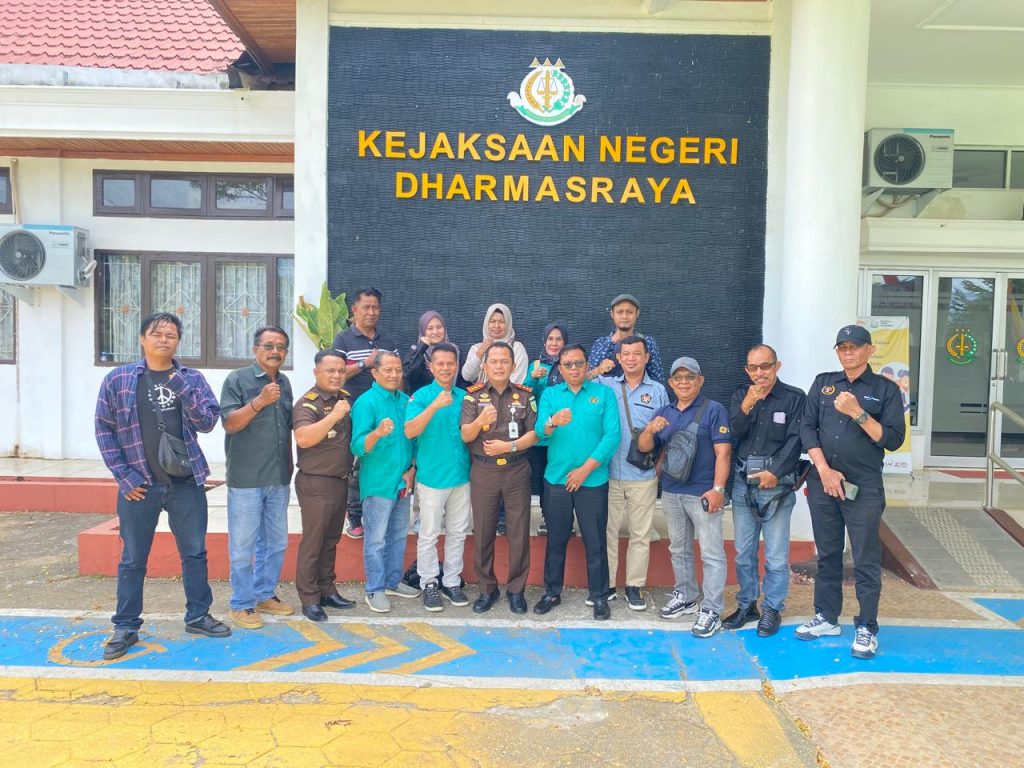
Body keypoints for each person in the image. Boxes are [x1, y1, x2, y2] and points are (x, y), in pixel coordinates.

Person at [95, 312, 229, 660]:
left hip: (186, 483)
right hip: (139, 486)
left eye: (171, 335)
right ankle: (126, 626)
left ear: (178, 341)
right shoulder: (118, 379)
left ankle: (198, 616)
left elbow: (207, 422)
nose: (163, 339)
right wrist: (124, 476)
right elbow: (104, 429)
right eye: (156, 334)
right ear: (143, 339)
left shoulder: (192, 378)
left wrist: (181, 386)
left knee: (195, 553)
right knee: (133, 558)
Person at [797, 325, 905, 659]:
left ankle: (867, 626)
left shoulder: (885, 390)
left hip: (864, 486)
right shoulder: (824, 383)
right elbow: (807, 428)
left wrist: (857, 412)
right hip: (824, 482)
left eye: (854, 346)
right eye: (842, 347)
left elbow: (892, 440)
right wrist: (824, 471)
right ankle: (827, 616)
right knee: (828, 553)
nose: (848, 352)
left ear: (869, 350)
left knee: (864, 558)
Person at [638, 356, 731, 638]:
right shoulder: (664, 411)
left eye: (690, 377)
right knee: (679, 549)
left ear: (700, 381)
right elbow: (644, 447)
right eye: (678, 378)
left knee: (711, 553)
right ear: (670, 383)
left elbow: (723, 453)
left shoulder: (713, 410)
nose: (684, 383)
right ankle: (687, 596)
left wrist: (718, 490)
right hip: (672, 491)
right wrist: (650, 429)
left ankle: (711, 609)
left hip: (703, 493)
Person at [533, 345, 620, 621]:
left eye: (578, 363)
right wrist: (551, 422)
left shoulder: (603, 394)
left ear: (587, 365)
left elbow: (612, 436)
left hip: (592, 480)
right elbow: (539, 432)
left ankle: (599, 595)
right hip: (557, 480)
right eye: (568, 364)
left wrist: (584, 470)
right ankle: (551, 592)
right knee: (555, 541)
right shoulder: (550, 395)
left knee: (595, 542)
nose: (573, 369)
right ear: (560, 368)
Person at [723, 344, 805, 637]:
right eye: (753, 368)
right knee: (743, 553)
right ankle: (747, 604)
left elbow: (797, 440)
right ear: (747, 370)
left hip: (776, 487)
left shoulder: (794, 398)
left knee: (776, 556)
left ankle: (772, 608)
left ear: (776, 366)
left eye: (765, 366)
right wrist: (747, 404)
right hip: (743, 484)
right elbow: (735, 432)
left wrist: (776, 472)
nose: (760, 373)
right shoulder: (740, 395)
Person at [220, 326, 295, 629]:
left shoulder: (285, 382)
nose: (275, 351)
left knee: (276, 543)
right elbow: (230, 424)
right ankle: (241, 603)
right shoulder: (237, 380)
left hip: (279, 477)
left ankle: (264, 594)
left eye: (281, 347)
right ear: (255, 349)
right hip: (247, 479)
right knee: (243, 547)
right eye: (268, 346)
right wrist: (259, 402)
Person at [459, 342, 538, 614]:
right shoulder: (473, 396)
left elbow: (534, 434)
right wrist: (481, 420)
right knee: (483, 531)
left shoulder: (525, 396)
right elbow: (466, 435)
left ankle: (516, 590)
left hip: (516, 470)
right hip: (484, 471)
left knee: (518, 532)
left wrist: (509, 446)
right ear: (485, 365)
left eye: (505, 361)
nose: (499, 366)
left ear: (513, 366)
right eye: (494, 361)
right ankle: (487, 589)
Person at [599, 335, 669, 611]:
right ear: (618, 358)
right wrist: (597, 369)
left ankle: (634, 586)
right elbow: (578, 379)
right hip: (609, 473)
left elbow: (666, 431)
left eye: (637, 354)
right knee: (608, 531)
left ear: (646, 358)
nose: (631, 359)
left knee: (640, 534)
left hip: (643, 475)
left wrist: (660, 464)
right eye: (625, 354)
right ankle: (607, 584)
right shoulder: (606, 385)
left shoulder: (658, 390)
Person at [404, 343, 471, 611]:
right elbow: (410, 431)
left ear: (457, 366)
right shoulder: (420, 397)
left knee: (457, 533)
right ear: (430, 367)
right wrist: (434, 406)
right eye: (440, 363)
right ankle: (429, 582)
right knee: (429, 534)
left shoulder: (465, 397)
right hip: (431, 478)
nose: (445, 368)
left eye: (450, 363)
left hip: (461, 476)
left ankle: (451, 581)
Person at [350, 351, 419, 613]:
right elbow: (357, 446)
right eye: (388, 370)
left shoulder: (405, 401)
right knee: (376, 539)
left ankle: (392, 581)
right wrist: (377, 433)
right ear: (375, 373)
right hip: (378, 482)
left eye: (398, 370)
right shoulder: (366, 403)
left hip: (402, 481)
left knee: (398, 535)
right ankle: (374, 588)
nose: (394, 375)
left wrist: (412, 468)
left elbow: (413, 439)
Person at [292, 350, 358, 622]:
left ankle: (327, 589)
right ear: (316, 373)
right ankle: (309, 598)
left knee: (331, 540)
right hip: (316, 482)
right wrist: (333, 417)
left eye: (341, 371)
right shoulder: (308, 404)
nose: (336, 375)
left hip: (340, 481)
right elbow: (303, 438)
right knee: (313, 542)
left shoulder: (345, 398)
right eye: (330, 371)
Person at [332, 288, 400, 540]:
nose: (371, 312)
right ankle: (354, 516)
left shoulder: (388, 340)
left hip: (385, 411)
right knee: (356, 462)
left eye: (375, 307)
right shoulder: (343, 340)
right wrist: (364, 363)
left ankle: (380, 509)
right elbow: (336, 375)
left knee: (380, 459)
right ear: (355, 310)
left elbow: (398, 375)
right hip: (354, 411)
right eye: (366, 307)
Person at [527, 322, 567, 535]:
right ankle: (546, 515)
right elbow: (525, 394)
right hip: (543, 434)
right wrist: (533, 378)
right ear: (544, 341)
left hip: (566, 433)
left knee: (564, 474)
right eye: (550, 339)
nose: (554, 343)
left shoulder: (570, 365)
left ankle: (566, 517)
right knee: (544, 476)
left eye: (559, 339)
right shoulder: (535, 365)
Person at [588, 293, 664, 382]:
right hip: (606, 390)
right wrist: (598, 370)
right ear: (612, 314)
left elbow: (657, 379)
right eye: (620, 312)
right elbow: (586, 379)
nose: (624, 316)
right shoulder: (601, 344)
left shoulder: (648, 342)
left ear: (637, 313)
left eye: (629, 312)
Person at [461, 303, 529, 386]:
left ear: (508, 324)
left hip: (510, 393)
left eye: (502, 322)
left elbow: (518, 379)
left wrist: (491, 391)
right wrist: (480, 352)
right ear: (486, 323)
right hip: (479, 394)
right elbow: (468, 377)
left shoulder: (516, 348)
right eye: (492, 321)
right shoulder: (477, 348)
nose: (497, 326)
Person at [404, 310, 460, 393]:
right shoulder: (415, 350)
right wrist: (422, 348)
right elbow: (409, 376)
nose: (435, 332)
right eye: (430, 328)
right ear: (423, 330)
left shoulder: (454, 349)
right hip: (425, 398)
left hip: (452, 396)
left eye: (439, 327)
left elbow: (461, 379)